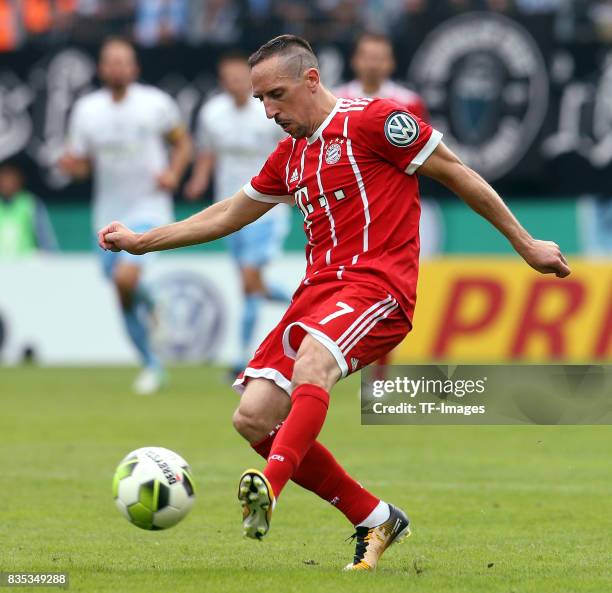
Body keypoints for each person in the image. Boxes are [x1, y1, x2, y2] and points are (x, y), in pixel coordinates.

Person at [98, 35, 570, 570]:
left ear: (311, 80)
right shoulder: (291, 154)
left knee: (312, 363)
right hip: (317, 294)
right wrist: (142, 240)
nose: (270, 111)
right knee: (252, 418)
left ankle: (268, 487)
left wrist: (525, 243)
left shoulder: (376, 122)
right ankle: (375, 517)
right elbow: (227, 214)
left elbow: (457, 171)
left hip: (379, 287)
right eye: (261, 102)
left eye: (276, 95)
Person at [59, 37, 192, 395]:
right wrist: (72, 167)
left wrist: (174, 174)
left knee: (124, 281)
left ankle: (153, 302)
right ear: (101, 68)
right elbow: (83, 165)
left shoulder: (156, 104)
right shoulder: (86, 110)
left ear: (134, 67)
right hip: (105, 214)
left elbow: (182, 142)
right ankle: (152, 364)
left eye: (123, 61)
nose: (117, 68)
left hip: (148, 210)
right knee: (122, 294)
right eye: (110, 62)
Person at [185, 52, 291, 379]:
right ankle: (302, 304)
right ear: (222, 81)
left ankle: (242, 359)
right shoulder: (212, 113)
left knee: (249, 283)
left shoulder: (269, 113)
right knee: (250, 285)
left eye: (240, 78)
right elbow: (207, 154)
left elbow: (291, 151)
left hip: (266, 209)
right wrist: (199, 179)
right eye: (228, 78)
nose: (235, 84)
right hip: (229, 209)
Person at [335, 32, 428, 121]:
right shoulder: (335, 101)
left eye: (380, 58)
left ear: (392, 62)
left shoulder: (410, 103)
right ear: (353, 60)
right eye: (367, 58)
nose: (373, 65)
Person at [0, 158, 57, 257]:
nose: (6, 182)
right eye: (3, 177)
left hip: (26, 266)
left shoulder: (31, 203)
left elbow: (46, 240)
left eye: (10, 176)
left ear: (19, 178)